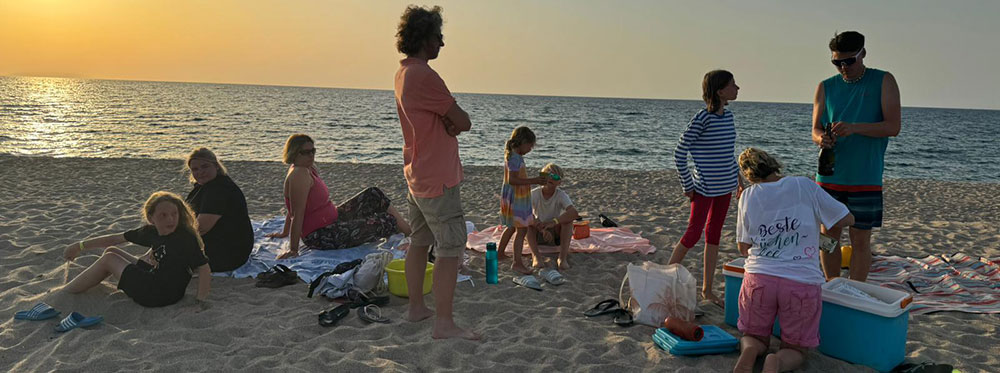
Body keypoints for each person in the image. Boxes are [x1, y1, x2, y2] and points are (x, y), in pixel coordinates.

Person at [394, 5, 479, 340]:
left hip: (417, 172)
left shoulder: (403, 73)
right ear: (423, 38)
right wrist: (452, 123)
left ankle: (417, 307)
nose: (441, 44)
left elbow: (443, 119)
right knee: (449, 247)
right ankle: (444, 323)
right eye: (438, 37)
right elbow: (464, 121)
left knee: (420, 240)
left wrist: (449, 122)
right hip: (437, 177)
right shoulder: (425, 76)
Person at [732, 148, 854, 373]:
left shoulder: (747, 196)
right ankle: (776, 362)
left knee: (754, 336)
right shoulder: (803, 185)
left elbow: (743, 248)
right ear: (773, 164)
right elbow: (846, 218)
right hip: (800, 282)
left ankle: (750, 350)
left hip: (759, 279)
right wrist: (814, 229)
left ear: (749, 175)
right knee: (796, 349)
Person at [812, 31, 901, 282]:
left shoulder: (883, 80)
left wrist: (854, 127)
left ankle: (855, 291)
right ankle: (832, 284)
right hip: (829, 176)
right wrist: (822, 138)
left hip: (865, 177)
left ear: (863, 54)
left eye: (848, 61)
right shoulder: (825, 86)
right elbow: (815, 130)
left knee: (860, 239)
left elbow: (893, 126)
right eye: (837, 62)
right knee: (828, 237)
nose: (843, 67)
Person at [268, 134, 410, 259]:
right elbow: (296, 213)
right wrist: (293, 249)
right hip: (321, 235)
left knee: (373, 194)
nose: (311, 155)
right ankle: (411, 236)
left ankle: (409, 232)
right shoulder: (299, 174)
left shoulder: (307, 168)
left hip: (334, 220)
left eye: (313, 151)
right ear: (294, 154)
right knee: (386, 221)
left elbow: (292, 206)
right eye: (306, 152)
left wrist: (284, 232)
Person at [669, 69, 743, 306]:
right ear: (721, 91)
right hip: (704, 188)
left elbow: (727, 154)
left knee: (714, 237)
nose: (737, 88)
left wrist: (738, 180)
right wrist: (687, 185)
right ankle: (665, 280)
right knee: (692, 234)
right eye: (733, 85)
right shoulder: (702, 118)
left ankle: (707, 290)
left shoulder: (728, 117)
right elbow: (679, 153)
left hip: (725, 187)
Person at [62, 191, 211, 308]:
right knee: (112, 251)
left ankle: (65, 293)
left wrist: (200, 303)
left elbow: (204, 268)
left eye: (174, 214)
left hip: (160, 294)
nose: (170, 220)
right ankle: (79, 286)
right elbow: (115, 239)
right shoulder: (151, 232)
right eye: (163, 215)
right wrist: (79, 246)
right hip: (156, 279)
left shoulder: (184, 238)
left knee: (109, 259)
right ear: (151, 218)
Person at [184, 148, 253, 272]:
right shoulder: (205, 185)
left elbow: (201, 228)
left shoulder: (219, 189)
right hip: (223, 243)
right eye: (195, 169)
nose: (200, 172)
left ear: (216, 166)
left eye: (205, 167)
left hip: (228, 254)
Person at [497, 126, 546, 274]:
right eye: (530, 146)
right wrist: (535, 180)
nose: (530, 149)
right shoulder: (515, 158)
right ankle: (517, 262)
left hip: (515, 197)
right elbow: (513, 180)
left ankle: (500, 253)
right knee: (522, 229)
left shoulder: (513, 155)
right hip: (516, 198)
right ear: (522, 142)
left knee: (512, 227)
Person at [526, 163, 579, 270]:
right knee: (527, 223)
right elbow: (523, 211)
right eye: (547, 174)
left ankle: (562, 258)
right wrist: (540, 227)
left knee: (568, 222)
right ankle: (536, 256)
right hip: (538, 231)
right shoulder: (534, 194)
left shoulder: (560, 195)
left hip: (554, 233)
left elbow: (574, 213)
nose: (550, 178)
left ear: (559, 182)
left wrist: (553, 222)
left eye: (554, 176)